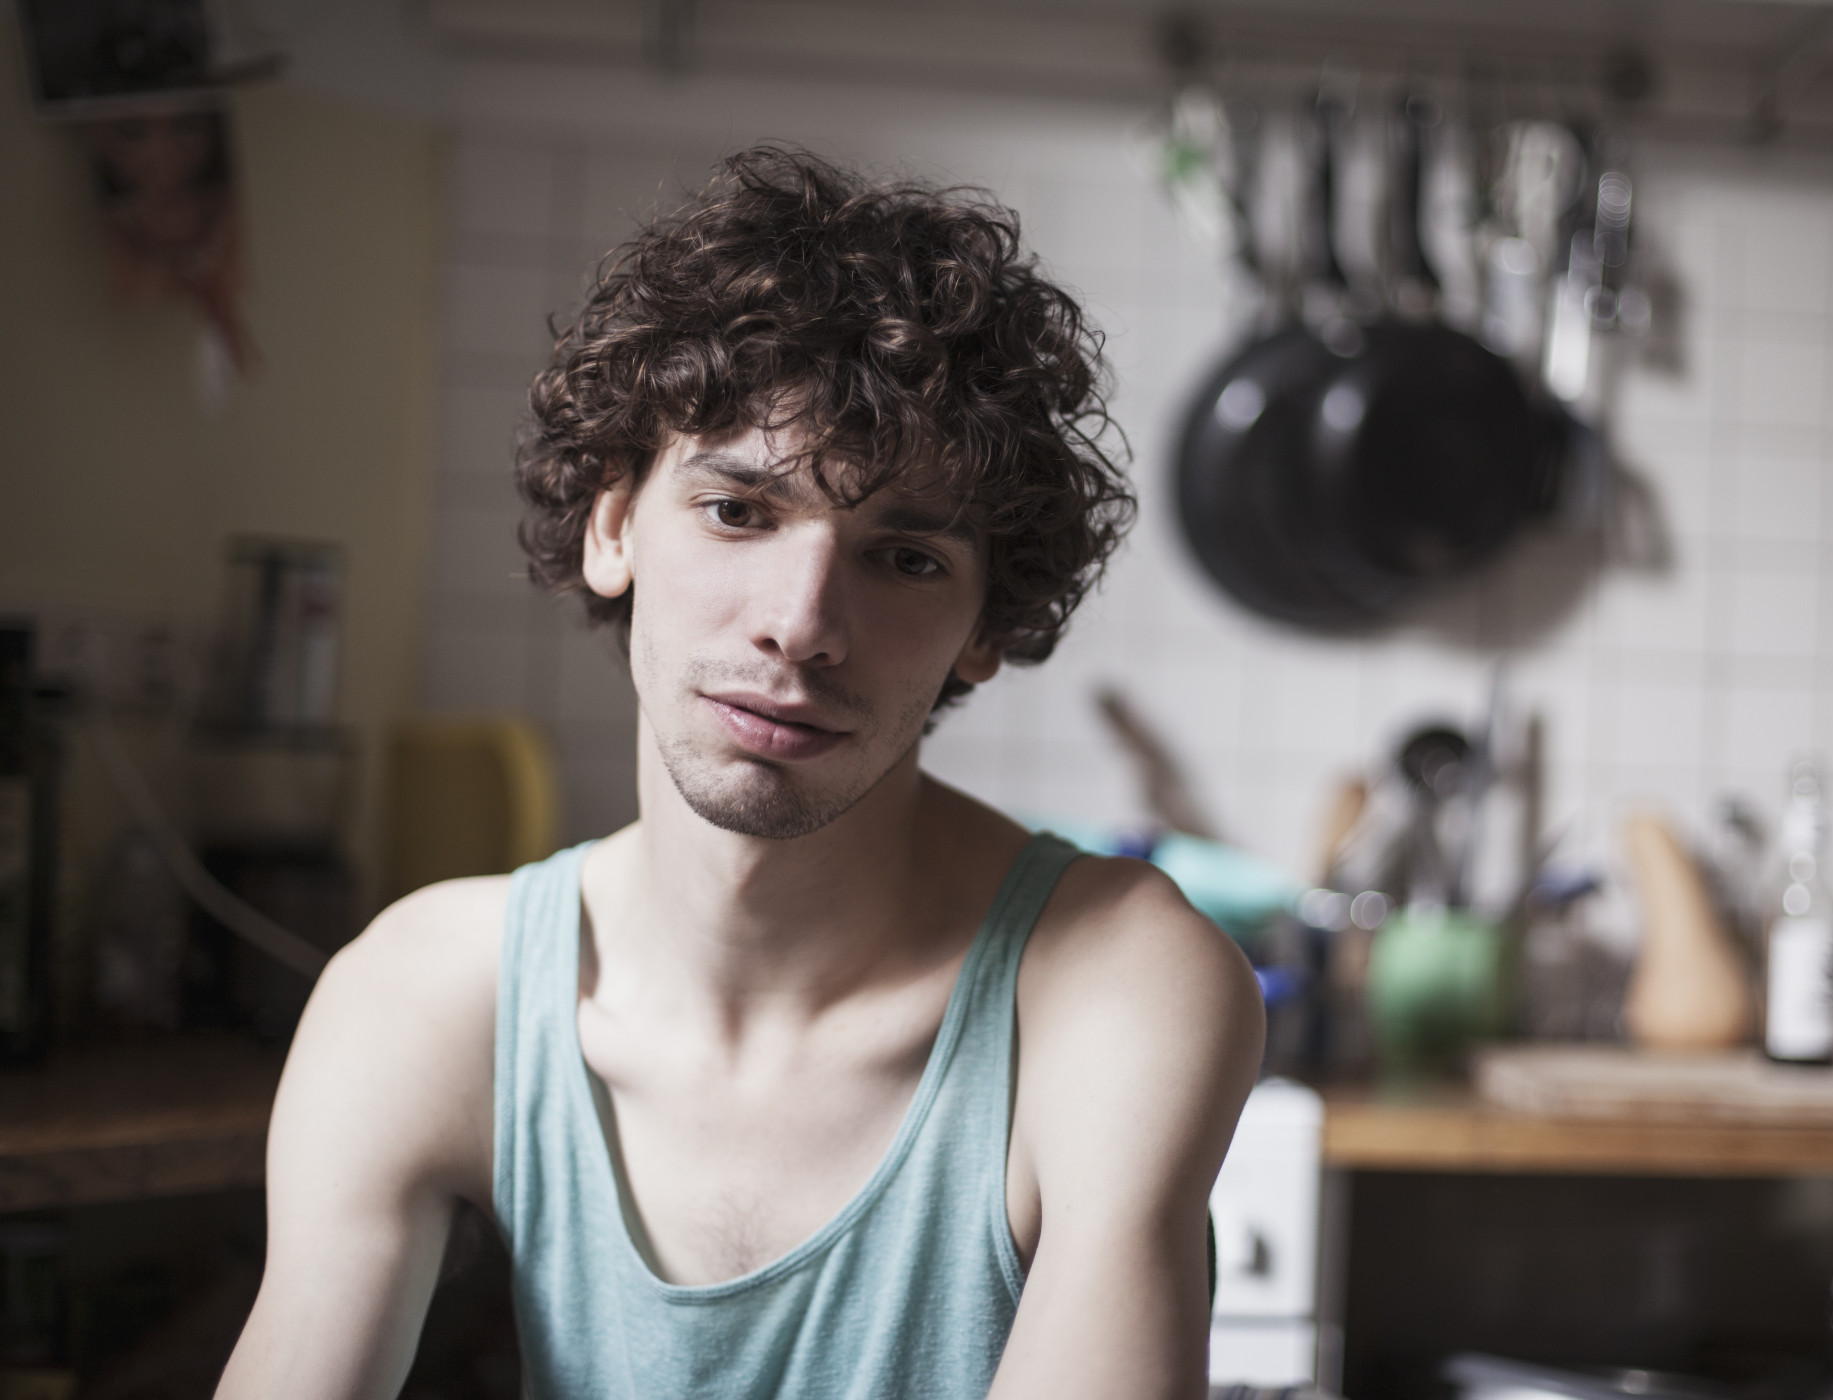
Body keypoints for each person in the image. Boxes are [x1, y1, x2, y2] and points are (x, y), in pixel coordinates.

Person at [216, 147, 1264, 1400]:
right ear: (613, 523)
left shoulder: (1111, 984)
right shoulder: (429, 996)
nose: (801, 623)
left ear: (985, 625)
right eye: (738, 511)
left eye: (906, 558)